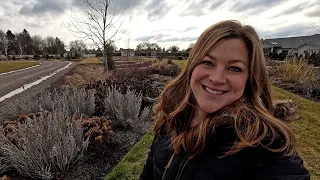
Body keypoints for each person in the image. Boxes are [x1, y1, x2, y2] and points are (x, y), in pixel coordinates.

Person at [139, 20, 310, 180]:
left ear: (249, 79)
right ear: (192, 66)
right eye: (208, 62)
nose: (217, 78)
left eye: (234, 68)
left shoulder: (266, 147)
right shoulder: (170, 119)